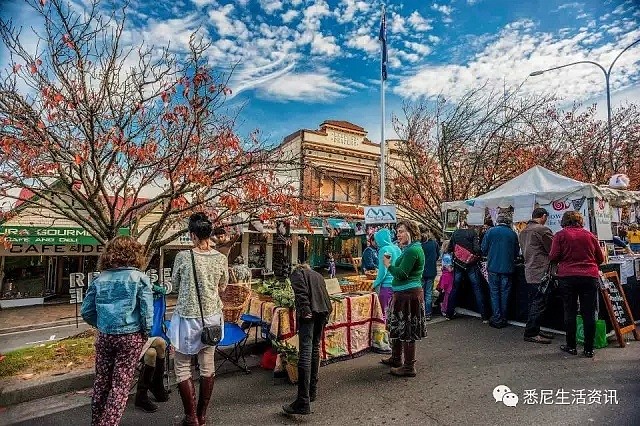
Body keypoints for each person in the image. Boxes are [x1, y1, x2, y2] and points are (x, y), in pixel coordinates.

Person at [81, 236, 153, 426]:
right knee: (120, 387)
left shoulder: (100, 279)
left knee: (101, 382)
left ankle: (97, 421)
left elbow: (86, 311)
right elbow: (147, 313)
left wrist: (102, 324)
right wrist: (145, 333)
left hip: (105, 335)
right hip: (130, 336)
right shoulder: (140, 279)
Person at [168, 213, 228, 426]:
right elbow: (223, 286)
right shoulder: (221, 258)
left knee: (182, 365)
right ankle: (202, 415)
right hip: (212, 317)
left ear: (192, 235)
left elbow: (174, 286)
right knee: (207, 365)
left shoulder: (183, 257)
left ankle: (191, 416)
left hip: (187, 317)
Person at [549, 211, 604, 358]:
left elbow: (553, 256)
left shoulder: (560, 235)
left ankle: (571, 345)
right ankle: (589, 348)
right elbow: (601, 258)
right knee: (589, 313)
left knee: (570, 311)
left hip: (567, 276)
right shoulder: (590, 235)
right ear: (580, 221)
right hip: (589, 276)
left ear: (564, 221)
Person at [283, 264, 333, 415]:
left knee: (305, 352)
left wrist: (304, 309)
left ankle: (302, 401)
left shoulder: (297, 273)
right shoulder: (317, 275)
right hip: (323, 311)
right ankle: (312, 391)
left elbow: (301, 293)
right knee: (315, 348)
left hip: (310, 313)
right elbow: (324, 294)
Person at [381, 220, 427, 378]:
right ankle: (396, 358)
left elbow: (402, 274)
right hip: (404, 294)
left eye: (401, 231)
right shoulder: (410, 249)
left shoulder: (412, 250)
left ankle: (408, 366)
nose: (398, 235)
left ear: (411, 232)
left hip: (408, 295)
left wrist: (388, 265)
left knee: (407, 330)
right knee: (399, 327)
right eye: (397, 232)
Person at [519, 208, 555, 344]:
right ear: (544, 216)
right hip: (541, 271)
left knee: (535, 302)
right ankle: (531, 332)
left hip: (530, 270)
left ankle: (535, 329)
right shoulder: (542, 230)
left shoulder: (523, 231)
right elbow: (553, 250)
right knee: (539, 303)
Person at [135, 283, 170, 412]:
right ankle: (155, 387)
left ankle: (146, 392)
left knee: (153, 351)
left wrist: (151, 287)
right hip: (132, 341)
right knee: (159, 344)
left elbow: (163, 290)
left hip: (146, 339)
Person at [482, 212, 520, 329]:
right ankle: (504, 318)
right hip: (508, 268)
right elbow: (516, 252)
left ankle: (497, 317)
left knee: (494, 293)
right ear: (508, 222)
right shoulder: (512, 234)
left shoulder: (490, 232)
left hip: (493, 267)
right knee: (505, 293)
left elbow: (483, 249)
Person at [445, 222, 488, 322]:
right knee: (477, 288)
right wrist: (477, 255)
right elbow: (477, 249)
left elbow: (450, 248)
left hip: (458, 264)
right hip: (471, 264)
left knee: (455, 288)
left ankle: (449, 313)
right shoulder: (473, 233)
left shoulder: (455, 233)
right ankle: (484, 316)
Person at [372, 228, 402, 318]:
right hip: (397, 285)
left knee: (385, 313)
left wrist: (375, 284)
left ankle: (386, 331)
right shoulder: (397, 248)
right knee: (396, 312)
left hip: (387, 286)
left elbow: (383, 271)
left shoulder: (384, 250)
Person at [420, 227, 440, 321]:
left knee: (421, 293)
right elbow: (437, 255)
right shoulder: (434, 243)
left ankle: (421, 312)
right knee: (428, 293)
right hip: (432, 271)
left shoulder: (419, 244)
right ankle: (428, 313)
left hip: (420, 272)